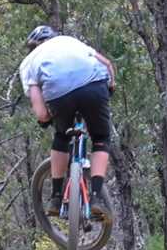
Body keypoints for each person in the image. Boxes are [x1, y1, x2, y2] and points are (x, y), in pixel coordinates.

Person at [19, 25, 116, 217]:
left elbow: (41, 113)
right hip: (94, 83)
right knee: (101, 138)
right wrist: (110, 86)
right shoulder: (70, 41)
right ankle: (96, 197)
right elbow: (106, 64)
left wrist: (46, 118)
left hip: (59, 93)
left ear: (32, 47)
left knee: (62, 137)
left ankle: (55, 198)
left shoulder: (28, 63)